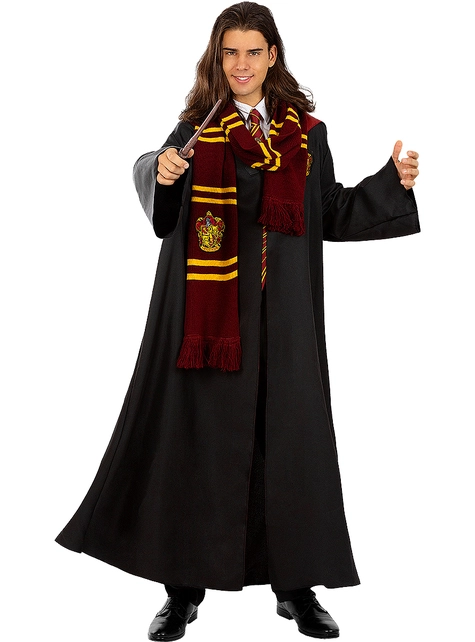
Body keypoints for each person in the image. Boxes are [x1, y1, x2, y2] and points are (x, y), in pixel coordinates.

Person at [55, 2, 420, 640]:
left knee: (290, 444)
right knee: (195, 444)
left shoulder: (306, 134)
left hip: (285, 319)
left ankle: (296, 588)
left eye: (253, 51)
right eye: (230, 52)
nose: (242, 64)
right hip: (209, 323)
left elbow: (330, 211)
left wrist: (393, 183)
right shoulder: (198, 128)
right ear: (217, 58)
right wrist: (161, 168)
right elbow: (157, 182)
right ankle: (181, 592)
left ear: (273, 55)